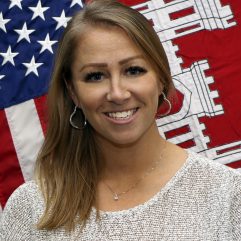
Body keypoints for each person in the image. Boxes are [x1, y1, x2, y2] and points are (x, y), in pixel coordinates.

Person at [0, 0, 241, 240]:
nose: (117, 93)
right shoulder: (31, 208)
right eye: (95, 76)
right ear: (73, 91)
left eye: (133, 70)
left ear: (161, 79)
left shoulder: (228, 195)